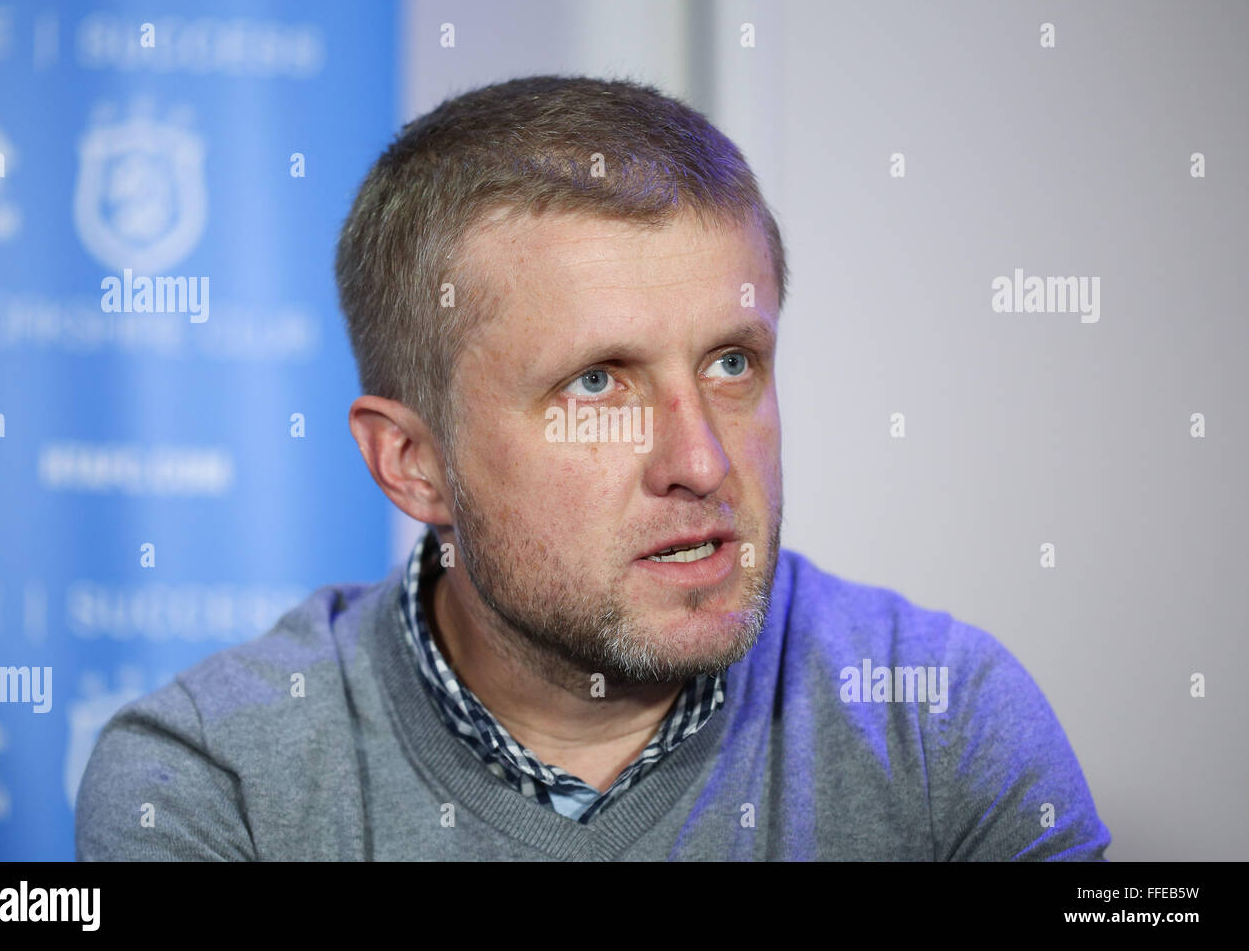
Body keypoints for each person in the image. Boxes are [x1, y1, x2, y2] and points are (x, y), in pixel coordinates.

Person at [76, 75, 1110, 860]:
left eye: (731, 361)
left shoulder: (937, 718)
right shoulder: (215, 780)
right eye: (596, 384)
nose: (700, 460)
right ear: (412, 463)